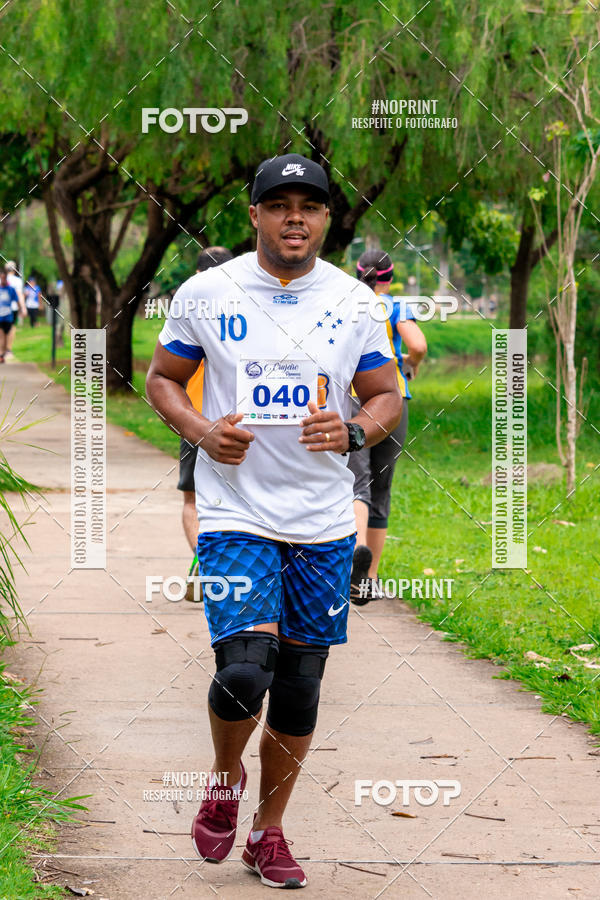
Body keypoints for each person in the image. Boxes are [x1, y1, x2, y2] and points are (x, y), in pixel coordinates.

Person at [146, 153, 402, 889]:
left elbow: (386, 396)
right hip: (236, 511)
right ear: (255, 215)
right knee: (243, 671)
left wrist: (353, 431)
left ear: (325, 219)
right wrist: (201, 431)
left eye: (310, 206)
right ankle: (225, 780)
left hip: (322, 521)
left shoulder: (354, 302)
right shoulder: (207, 292)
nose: (296, 217)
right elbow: (162, 378)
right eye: (281, 205)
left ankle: (269, 831)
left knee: (297, 685)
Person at [348, 250, 427, 604]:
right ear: (390, 279)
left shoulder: (346, 304)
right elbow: (418, 344)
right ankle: (370, 578)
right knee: (381, 487)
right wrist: (409, 362)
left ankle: (356, 556)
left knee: (355, 483)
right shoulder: (395, 307)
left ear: (357, 274)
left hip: (353, 400)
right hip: (393, 400)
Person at [178, 246, 234, 601]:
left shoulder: (187, 306)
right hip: (240, 418)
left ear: (198, 273)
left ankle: (207, 564)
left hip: (196, 416)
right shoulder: (249, 305)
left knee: (192, 498)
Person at [5, 261, 25, 358]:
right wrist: (23, 308)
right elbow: (20, 295)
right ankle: (8, 350)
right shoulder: (17, 281)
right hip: (13, 308)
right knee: (11, 328)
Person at [0, 271, 18, 362]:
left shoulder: (11, 289)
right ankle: (1, 354)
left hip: (8, 316)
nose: (3, 280)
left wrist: (21, 309)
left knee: (7, 334)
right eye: (1, 278)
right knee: (1, 335)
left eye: (4, 278)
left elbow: (17, 300)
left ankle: (7, 351)